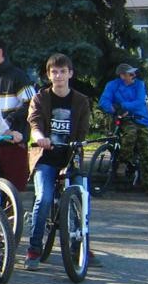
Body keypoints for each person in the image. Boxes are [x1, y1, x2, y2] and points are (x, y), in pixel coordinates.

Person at [26, 54, 96, 270]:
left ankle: (81, 244)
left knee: (82, 197)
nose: (58, 75)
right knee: (44, 198)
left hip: (70, 157)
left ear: (70, 74)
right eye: (54, 72)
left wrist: (78, 143)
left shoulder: (81, 101)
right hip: (45, 158)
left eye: (63, 71)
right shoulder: (40, 98)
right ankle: (34, 248)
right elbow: (34, 122)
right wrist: (39, 137)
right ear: (49, 75)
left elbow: (83, 131)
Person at [99, 63, 148, 197]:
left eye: (133, 73)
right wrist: (114, 109)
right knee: (130, 134)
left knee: (146, 151)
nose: (134, 75)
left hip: (141, 119)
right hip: (123, 119)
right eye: (130, 73)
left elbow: (140, 101)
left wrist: (122, 106)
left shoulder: (139, 84)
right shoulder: (113, 85)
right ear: (122, 75)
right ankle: (123, 161)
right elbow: (104, 101)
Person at [0, 37, 36, 190]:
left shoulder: (18, 76)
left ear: (0, 52)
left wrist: (10, 119)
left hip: (13, 144)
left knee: (14, 191)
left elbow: (31, 103)